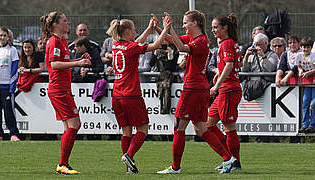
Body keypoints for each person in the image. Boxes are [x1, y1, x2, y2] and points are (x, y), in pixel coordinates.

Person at [156, 10, 236, 175]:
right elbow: (171, 40)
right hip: (200, 88)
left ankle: (175, 167)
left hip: (193, 89)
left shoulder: (201, 41)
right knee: (201, 129)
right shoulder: (196, 38)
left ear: (196, 23)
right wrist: (160, 28)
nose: (183, 25)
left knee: (179, 128)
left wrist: (168, 28)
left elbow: (180, 46)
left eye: (186, 23)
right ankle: (228, 158)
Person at [106, 14, 171, 174]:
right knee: (143, 129)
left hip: (117, 95)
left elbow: (136, 42)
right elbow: (155, 45)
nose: (135, 32)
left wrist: (149, 28)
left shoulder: (116, 46)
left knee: (126, 131)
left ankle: (129, 167)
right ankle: (129, 155)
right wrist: (166, 29)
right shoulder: (131, 47)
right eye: (134, 29)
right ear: (128, 31)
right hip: (131, 95)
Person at [40, 11, 91, 175]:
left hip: (63, 89)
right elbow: (54, 65)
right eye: (65, 21)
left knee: (69, 126)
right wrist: (78, 62)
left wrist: (79, 59)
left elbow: (63, 62)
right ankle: (62, 164)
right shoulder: (54, 41)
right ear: (56, 24)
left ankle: (63, 164)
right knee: (75, 124)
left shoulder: (61, 41)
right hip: (59, 90)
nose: (68, 23)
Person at [205, 13, 243, 172]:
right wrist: (219, 75)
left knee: (229, 128)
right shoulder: (229, 43)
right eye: (212, 27)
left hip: (229, 90)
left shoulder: (227, 44)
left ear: (225, 28)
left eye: (215, 27)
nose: (213, 30)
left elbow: (230, 66)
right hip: (225, 90)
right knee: (208, 125)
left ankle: (234, 162)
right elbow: (238, 64)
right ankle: (229, 157)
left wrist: (216, 85)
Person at [0, 26, 20, 141]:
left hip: (6, 86)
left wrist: (12, 85)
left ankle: (13, 134)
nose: (3, 37)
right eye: (1, 35)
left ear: (8, 37)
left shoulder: (12, 50)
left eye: (5, 35)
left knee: (8, 111)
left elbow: (15, 69)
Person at [297, 37, 315, 133]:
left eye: (308, 47)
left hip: (314, 81)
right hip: (307, 82)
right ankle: (304, 124)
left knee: (313, 104)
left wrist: (308, 73)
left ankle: (312, 124)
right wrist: (300, 71)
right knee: (305, 103)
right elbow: (299, 66)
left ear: (311, 48)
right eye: (304, 47)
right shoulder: (299, 56)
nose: (305, 49)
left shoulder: (313, 56)